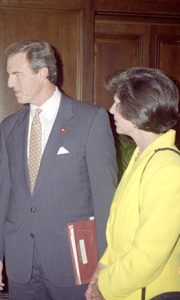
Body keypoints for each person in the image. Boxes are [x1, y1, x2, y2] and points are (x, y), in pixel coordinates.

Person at [0, 40, 117, 299]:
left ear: (43, 72)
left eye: (17, 74)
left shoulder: (91, 120)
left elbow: (106, 199)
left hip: (73, 262)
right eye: (9, 75)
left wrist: (106, 262)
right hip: (21, 260)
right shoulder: (9, 127)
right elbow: (4, 195)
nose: (10, 83)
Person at [85, 67, 180, 300]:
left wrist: (103, 285)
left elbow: (147, 257)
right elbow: (122, 230)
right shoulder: (142, 156)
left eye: (117, 103)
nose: (111, 110)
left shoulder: (168, 168)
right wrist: (102, 267)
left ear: (138, 109)